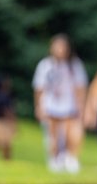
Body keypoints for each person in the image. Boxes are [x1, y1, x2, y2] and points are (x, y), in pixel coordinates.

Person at [33, 34, 88, 173]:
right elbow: (39, 88)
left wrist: (81, 106)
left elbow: (80, 87)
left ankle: (71, 158)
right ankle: (54, 159)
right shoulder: (45, 65)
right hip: (51, 104)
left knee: (72, 134)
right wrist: (39, 106)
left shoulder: (74, 65)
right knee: (53, 135)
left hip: (69, 105)